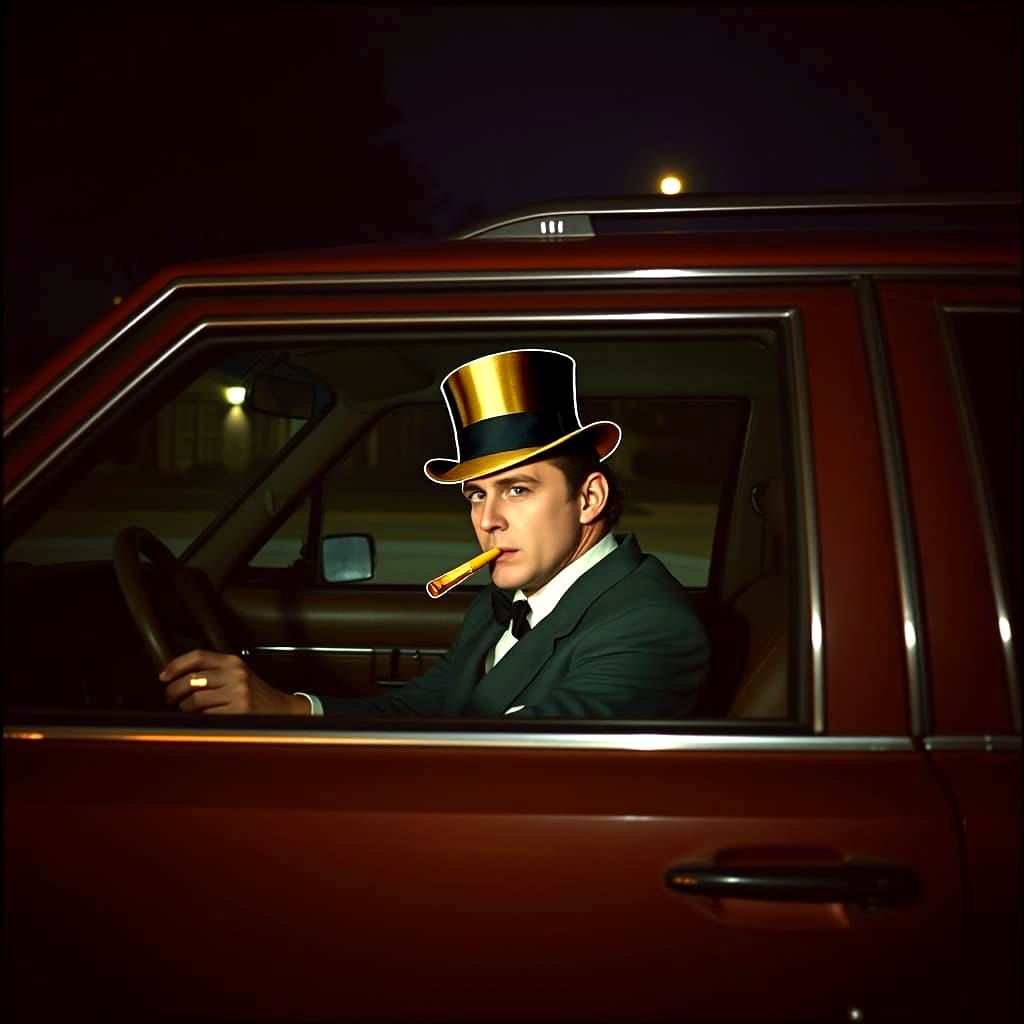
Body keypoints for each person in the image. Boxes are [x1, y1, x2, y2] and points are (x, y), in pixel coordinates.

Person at [160, 348, 710, 718]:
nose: (487, 519)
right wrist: (289, 709)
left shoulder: (649, 626)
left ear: (588, 498)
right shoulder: (513, 590)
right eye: (476, 493)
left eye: (517, 490)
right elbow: (430, 703)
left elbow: (503, 761)